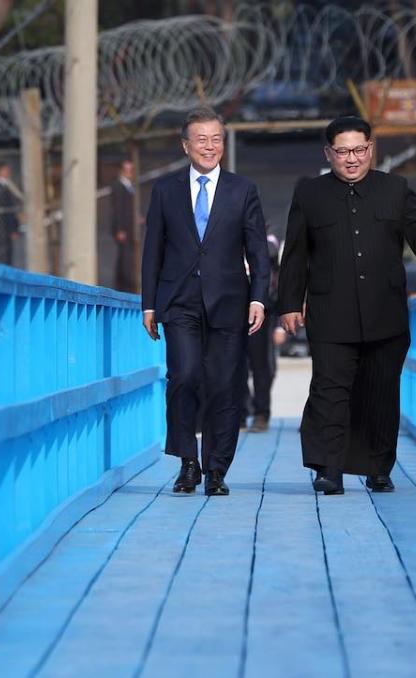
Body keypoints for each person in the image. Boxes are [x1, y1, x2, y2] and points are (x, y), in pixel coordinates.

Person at [277, 115, 416, 495]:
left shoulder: (396, 190)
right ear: (328, 153)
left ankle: (378, 467)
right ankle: (328, 469)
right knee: (329, 390)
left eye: (358, 150)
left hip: (384, 313)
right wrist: (289, 303)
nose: (351, 158)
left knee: (381, 393)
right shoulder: (310, 195)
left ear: (371, 149)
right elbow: (296, 255)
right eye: (342, 151)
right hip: (330, 314)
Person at [141, 107, 271, 496]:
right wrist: (149, 304)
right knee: (184, 376)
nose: (209, 146)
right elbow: (152, 251)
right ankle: (188, 462)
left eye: (216, 139)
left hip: (229, 301)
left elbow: (258, 251)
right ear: (186, 146)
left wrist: (259, 299)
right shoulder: (165, 190)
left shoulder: (242, 189)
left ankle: (216, 469)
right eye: (201, 139)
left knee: (224, 385)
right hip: (179, 300)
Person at [241, 231, 283, 433]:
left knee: (261, 366)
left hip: (261, 311)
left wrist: (279, 325)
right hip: (231, 309)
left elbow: (271, 254)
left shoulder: (268, 239)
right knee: (233, 365)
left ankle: (261, 413)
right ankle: (240, 412)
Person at [110, 159, 140, 292]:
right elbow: (118, 208)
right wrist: (120, 228)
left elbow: (129, 207)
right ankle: (124, 285)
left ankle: (129, 283)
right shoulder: (118, 186)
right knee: (124, 257)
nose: (129, 173)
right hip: (124, 229)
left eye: (131, 170)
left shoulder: (129, 186)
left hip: (131, 228)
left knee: (129, 256)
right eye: (126, 170)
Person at [0, 160, 22, 266]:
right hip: (2, 228)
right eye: (5, 169)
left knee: (8, 256)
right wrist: (12, 229)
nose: (8, 171)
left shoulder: (6, 186)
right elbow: (4, 212)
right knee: (4, 256)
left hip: (6, 228)